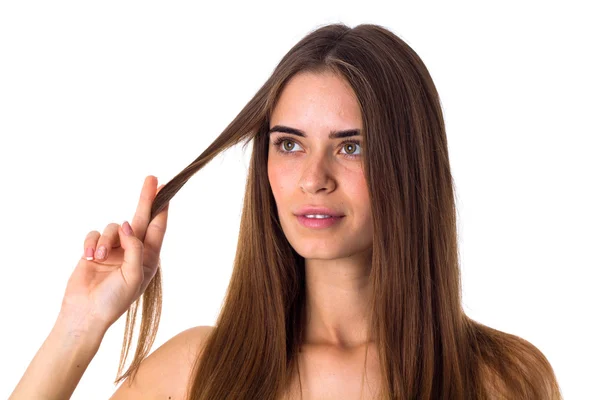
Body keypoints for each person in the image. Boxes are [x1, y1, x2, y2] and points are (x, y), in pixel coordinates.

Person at [9, 23, 562, 399]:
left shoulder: (501, 379)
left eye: (353, 146)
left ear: (410, 167)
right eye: (290, 144)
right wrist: (78, 325)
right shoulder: (198, 372)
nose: (313, 178)